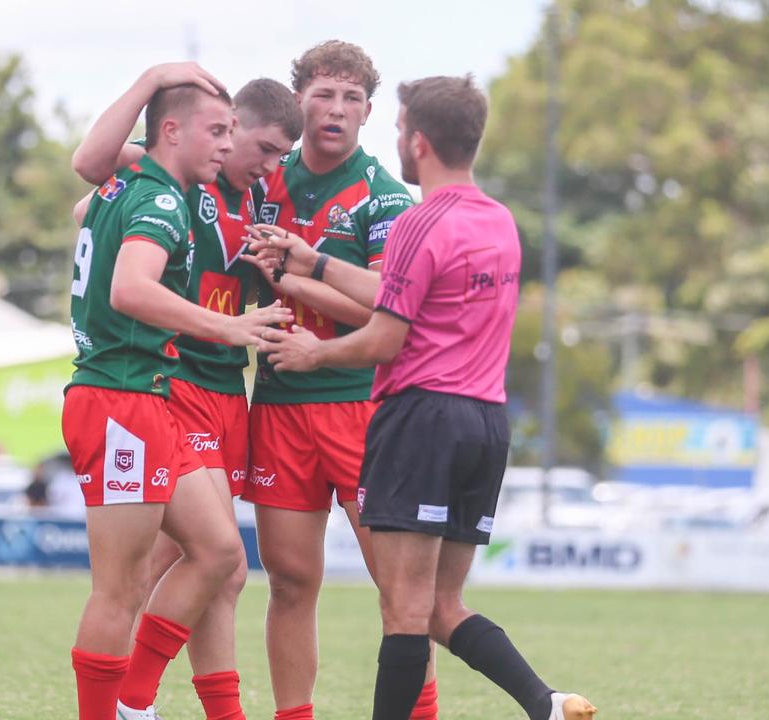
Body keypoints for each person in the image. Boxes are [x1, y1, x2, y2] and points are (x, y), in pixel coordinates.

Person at [253, 74, 597, 720]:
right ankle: (544, 702)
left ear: (419, 141)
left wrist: (315, 352)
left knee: (404, 609)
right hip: (487, 425)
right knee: (442, 606)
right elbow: (406, 294)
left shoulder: (415, 223)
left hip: (421, 420)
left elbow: (386, 337)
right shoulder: (500, 223)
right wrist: (315, 262)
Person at [70, 62, 303, 720]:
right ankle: (125, 705)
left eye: (235, 134)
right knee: (125, 587)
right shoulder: (158, 190)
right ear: (173, 132)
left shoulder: (149, 183)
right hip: (127, 391)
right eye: (223, 132)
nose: (230, 147)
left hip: (145, 389)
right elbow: (129, 289)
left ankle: (136, 704)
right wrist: (231, 327)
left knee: (221, 556)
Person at [236, 41, 432, 720]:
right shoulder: (262, 179)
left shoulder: (383, 196)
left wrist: (291, 276)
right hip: (280, 408)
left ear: (369, 113)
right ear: (299, 101)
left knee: (400, 592)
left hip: (362, 410)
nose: (337, 109)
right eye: (325, 94)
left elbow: (389, 309)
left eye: (352, 99)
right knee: (290, 583)